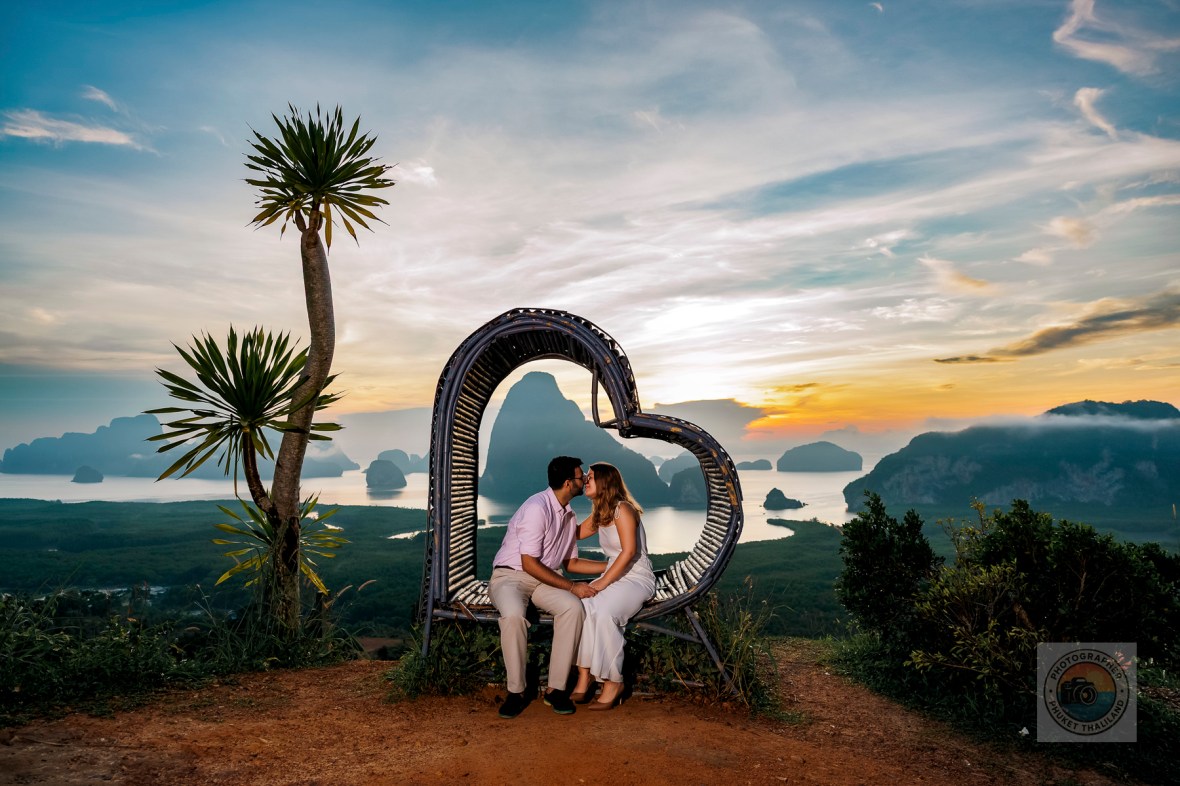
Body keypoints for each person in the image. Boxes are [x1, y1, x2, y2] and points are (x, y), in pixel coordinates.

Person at [488, 455, 605, 719]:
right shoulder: (537, 508)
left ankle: (556, 690)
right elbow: (528, 564)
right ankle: (516, 691)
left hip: (544, 579)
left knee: (573, 609)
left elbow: (570, 562)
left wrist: (608, 566)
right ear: (567, 483)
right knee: (514, 617)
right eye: (580, 476)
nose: (584, 479)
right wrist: (572, 587)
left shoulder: (567, 514)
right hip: (511, 577)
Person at [570, 462, 657, 711]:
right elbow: (572, 534)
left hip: (636, 578)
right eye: (585, 477)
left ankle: (613, 681)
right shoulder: (601, 513)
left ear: (606, 482)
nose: (586, 480)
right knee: (585, 606)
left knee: (606, 612)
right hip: (614, 575)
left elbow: (629, 552)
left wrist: (603, 582)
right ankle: (584, 674)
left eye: (591, 477)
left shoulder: (623, 509)